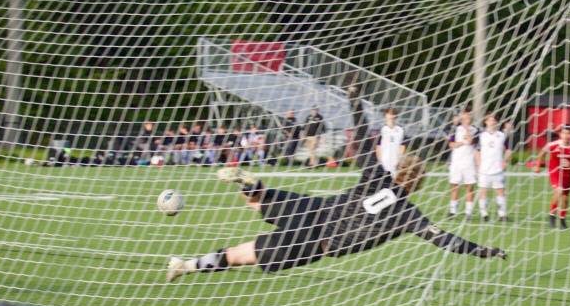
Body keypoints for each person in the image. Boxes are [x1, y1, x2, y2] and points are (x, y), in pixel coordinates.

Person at [166, 85, 505, 282]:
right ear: (416, 185)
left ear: (398, 169)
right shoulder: (408, 215)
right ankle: (187, 265)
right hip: (316, 241)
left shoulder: (376, 177)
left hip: (314, 207)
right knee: (240, 256)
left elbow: (359, 140)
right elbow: (445, 240)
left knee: (257, 200)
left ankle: (249, 181)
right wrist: (482, 250)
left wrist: (354, 102)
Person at [534, 127, 570, 229]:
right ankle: (552, 216)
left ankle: (562, 220)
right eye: (564, 133)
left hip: (567, 175)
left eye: (568, 134)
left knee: (565, 198)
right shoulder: (552, 145)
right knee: (558, 191)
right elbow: (541, 154)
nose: (566, 136)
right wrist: (537, 166)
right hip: (555, 172)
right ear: (560, 134)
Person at [475, 114, 512, 222]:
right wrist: (478, 165)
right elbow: (477, 151)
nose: (492, 122)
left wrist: (505, 162)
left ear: (496, 122)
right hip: (484, 169)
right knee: (483, 192)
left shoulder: (501, 135)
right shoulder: (481, 136)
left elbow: (509, 150)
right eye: (490, 120)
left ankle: (502, 215)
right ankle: (484, 214)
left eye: (494, 120)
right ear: (486, 122)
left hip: (497, 169)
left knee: (500, 191)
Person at [448, 109, 478, 220]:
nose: (466, 120)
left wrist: (467, 130)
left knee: (469, 187)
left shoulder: (475, 129)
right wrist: (461, 143)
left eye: (468, 117)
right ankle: (452, 211)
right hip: (456, 162)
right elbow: (451, 144)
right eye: (464, 118)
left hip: (469, 163)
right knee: (454, 186)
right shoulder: (455, 129)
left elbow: (471, 141)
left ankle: (468, 213)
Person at [375, 108, 406, 175]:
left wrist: (400, 158)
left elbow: (402, 145)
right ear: (385, 115)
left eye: (393, 114)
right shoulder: (382, 129)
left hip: (396, 159)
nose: (391, 116)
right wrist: (380, 160)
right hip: (384, 159)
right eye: (389, 114)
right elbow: (378, 146)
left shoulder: (401, 130)